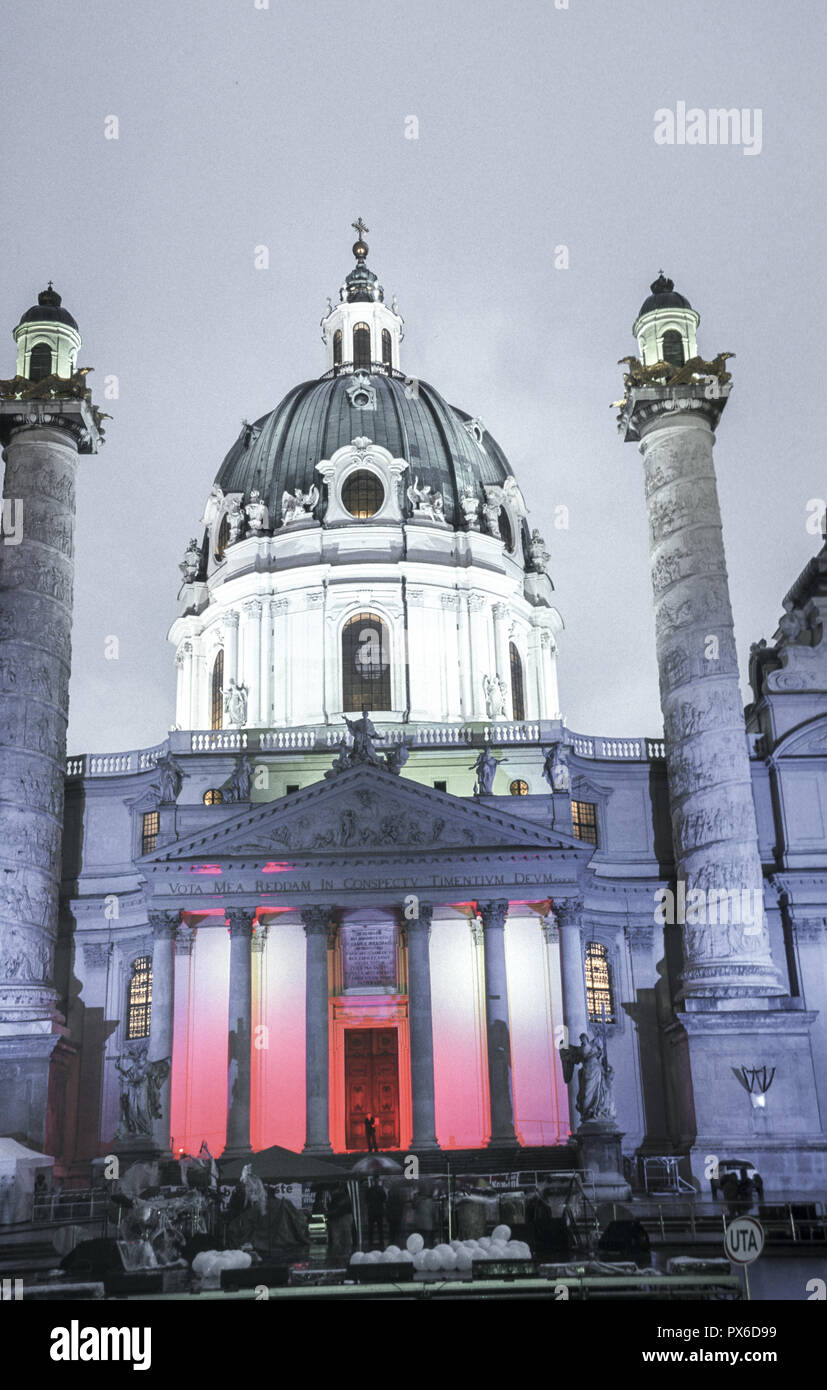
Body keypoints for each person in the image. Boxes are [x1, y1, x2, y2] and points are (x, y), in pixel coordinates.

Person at [366, 1180, 387, 1249]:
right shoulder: (381, 1189)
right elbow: (384, 1199)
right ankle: (381, 1241)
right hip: (379, 1211)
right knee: (380, 1228)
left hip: (371, 1211)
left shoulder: (370, 1190)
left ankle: (370, 1241)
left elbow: (366, 1199)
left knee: (371, 1228)